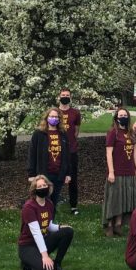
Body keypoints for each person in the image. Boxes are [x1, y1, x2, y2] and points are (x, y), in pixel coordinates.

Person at [18, 175, 74, 270]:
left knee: (68, 231)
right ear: (34, 190)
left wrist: (60, 227)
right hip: (28, 245)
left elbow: (48, 225)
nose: (43, 188)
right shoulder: (29, 207)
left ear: (48, 187)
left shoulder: (49, 204)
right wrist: (45, 256)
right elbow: (36, 233)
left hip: (43, 240)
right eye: (39, 187)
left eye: (44, 185)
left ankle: (57, 264)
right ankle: (27, 264)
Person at [26, 108, 71, 217]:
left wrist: (68, 173)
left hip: (58, 174)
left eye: (56, 117)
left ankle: (51, 225)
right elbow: (32, 154)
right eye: (51, 116)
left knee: (53, 203)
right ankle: (40, 226)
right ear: (46, 118)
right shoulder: (39, 134)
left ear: (59, 119)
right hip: (43, 175)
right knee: (42, 203)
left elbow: (67, 155)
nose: (53, 119)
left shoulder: (63, 134)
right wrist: (31, 174)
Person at [103, 108, 136, 237]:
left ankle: (119, 225)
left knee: (124, 199)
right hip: (116, 172)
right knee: (114, 199)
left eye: (125, 115)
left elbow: (135, 151)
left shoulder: (131, 133)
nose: (123, 117)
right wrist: (111, 172)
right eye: (120, 115)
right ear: (116, 117)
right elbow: (108, 153)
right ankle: (109, 225)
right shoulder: (113, 132)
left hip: (129, 172)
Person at [57, 88, 82, 216]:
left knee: (73, 179)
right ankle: (53, 203)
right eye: (63, 95)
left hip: (71, 150)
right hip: (56, 150)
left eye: (67, 95)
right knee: (55, 177)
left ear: (70, 98)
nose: (65, 97)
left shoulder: (75, 113)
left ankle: (73, 206)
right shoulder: (54, 112)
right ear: (59, 97)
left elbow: (76, 130)